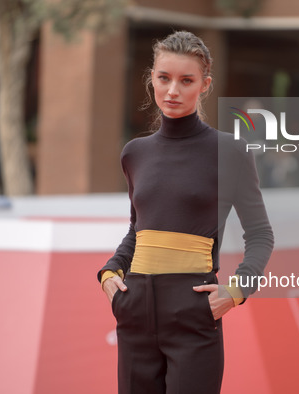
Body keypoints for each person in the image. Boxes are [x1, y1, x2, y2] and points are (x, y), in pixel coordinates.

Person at [97, 31, 274, 394]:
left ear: (205, 85)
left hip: (194, 313)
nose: (172, 90)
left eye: (186, 80)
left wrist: (237, 290)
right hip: (134, 310)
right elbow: (137, 228)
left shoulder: (231, 152)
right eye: (164, 78)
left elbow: (260, 235)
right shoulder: (135, 153)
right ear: (152, 79)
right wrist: (110, 273)